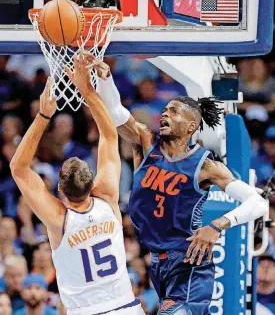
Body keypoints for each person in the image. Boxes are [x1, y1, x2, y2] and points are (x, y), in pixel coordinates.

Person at [87, 55, 268, 314]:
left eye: (174, 111)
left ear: (192, 126)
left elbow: (258, 202)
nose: (165, 114)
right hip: (158, 263)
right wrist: (105, 80)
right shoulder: (146, 143)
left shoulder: (205, 165)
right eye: (164, 110)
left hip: (190, 262)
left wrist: (217, 226)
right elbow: (116, 113)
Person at [10, 55, 145, 315]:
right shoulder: (107, 196)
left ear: (60, 189)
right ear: (92, 182)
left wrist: (43, 115)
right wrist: (88, 90)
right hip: (127, 307)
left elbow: (18, 168)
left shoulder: (59, 218)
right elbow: (109, 133)